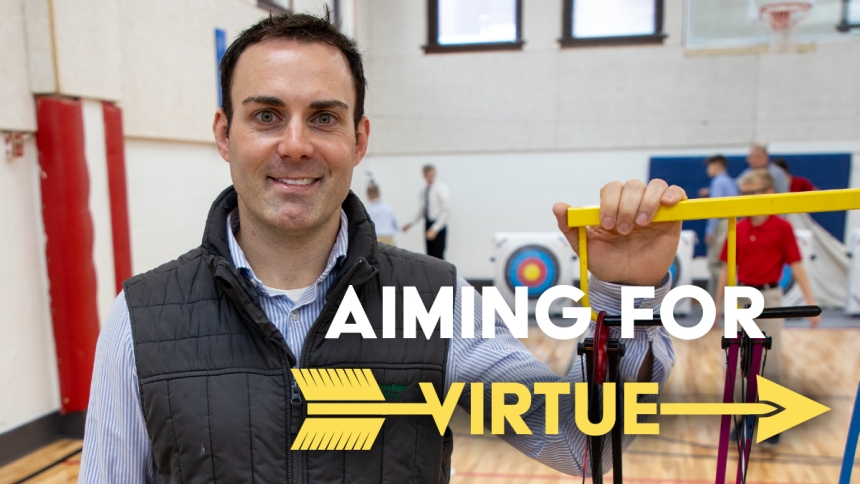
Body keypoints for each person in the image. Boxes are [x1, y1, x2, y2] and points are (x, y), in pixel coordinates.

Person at [78, 11, 686, 483]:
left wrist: (625, 296)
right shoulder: (142, 317)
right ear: (224, 133)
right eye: (266, 116)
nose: (295, 144)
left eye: (323, 118)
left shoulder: (437, 300)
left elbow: (584, 444)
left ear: (359, 138)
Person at [714, 169, 819, 444]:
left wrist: (810, 301)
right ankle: (744, 419)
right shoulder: (737, 228)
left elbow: (796, 265)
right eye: (744, 194)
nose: (747, 198)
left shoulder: (782, 228)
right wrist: (717, 306)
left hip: (770, 298)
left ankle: (772, 421)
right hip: (742, 298)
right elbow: (727, 269)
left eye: (753, 193)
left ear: (768, 194)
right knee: (737, 361)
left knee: (770, 362)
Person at [703, 155, 738, 299]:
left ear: (717, 165)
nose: (708, 170)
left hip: (721, 224)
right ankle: (714, 300)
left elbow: (716, 209)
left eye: (710, 166)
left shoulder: (718, 182)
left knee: (716, 264)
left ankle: (719, 300)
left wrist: (710, 230)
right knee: (724, 263)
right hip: (732, 222)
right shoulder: (731, 182)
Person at [403, 165, 450, 259]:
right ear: (424, 176)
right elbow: (422, 210)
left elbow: (446, 210)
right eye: (428, 176)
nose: (430, 178)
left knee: (439, 255)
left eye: (432, 175)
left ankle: (440, 274)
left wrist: (435, 228)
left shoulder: (441, 188)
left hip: (438, 225)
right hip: (428, 224)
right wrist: (411, 223)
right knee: (430, 255)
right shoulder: (424, 191)